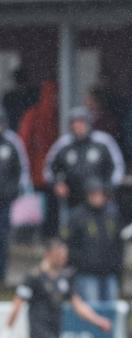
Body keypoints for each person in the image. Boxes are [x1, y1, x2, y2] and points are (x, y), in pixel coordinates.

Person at [43, 107, 125, 237]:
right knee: (73, 233)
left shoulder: (103, 141)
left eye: (81, 123)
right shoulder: (63, 144)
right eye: (75, 124)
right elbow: (49, 169)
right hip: (73, 199)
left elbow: (117, 167)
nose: (78, 127)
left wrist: (108, 188)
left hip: (100, 198)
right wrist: (56, 184)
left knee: (102, 232)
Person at [65, 179, 123, 303]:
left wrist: (117, 268)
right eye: (93, 194)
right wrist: (80, 263)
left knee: (110, 310)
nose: (96, 197)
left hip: (109, 272)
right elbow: (70, 244)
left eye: (99, 194)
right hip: (86, 274)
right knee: (91, 309)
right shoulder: (77, 216)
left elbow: (119, 244)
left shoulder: (112, 214)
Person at [0, 107, 30, 286]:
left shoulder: (12, 143)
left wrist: (15, 192)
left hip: (5, 202)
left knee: (3, 239)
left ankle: (1, 276)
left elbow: (22, 170)